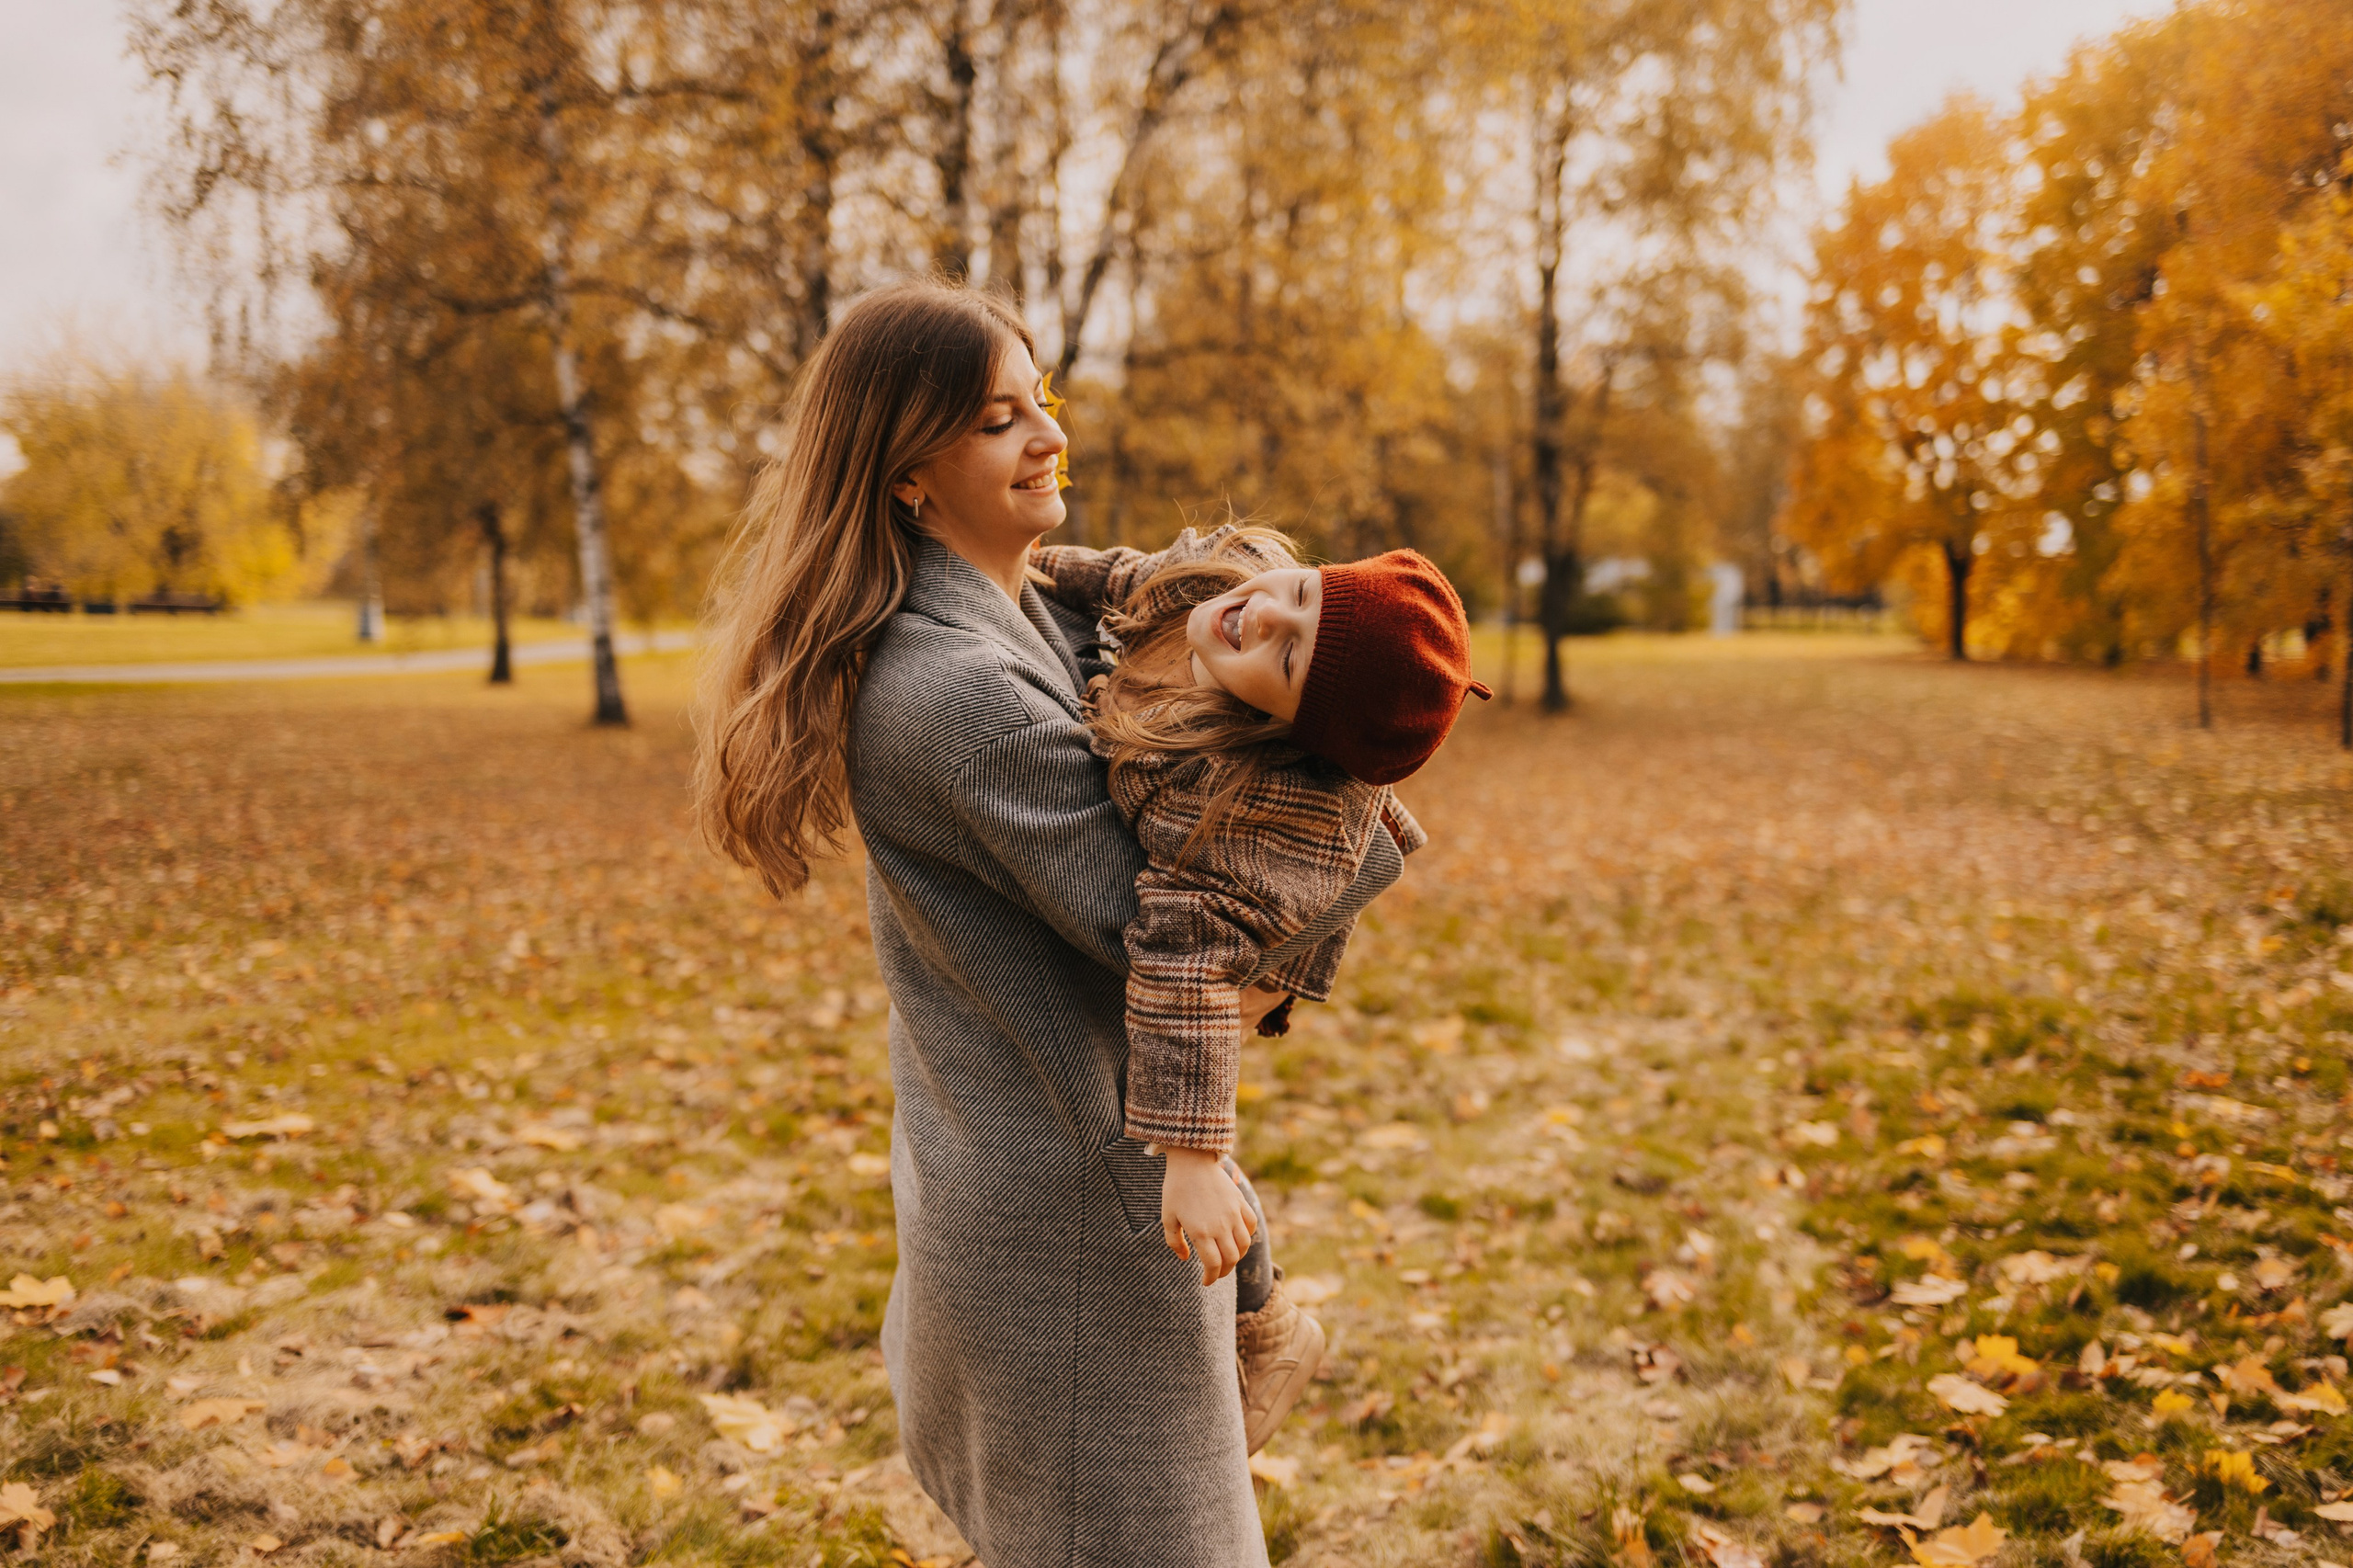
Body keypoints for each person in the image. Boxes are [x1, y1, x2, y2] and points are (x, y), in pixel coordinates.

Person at [694, 278, 1294, 1567]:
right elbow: (1178, 950)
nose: (1048, 436)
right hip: (1068, 1229)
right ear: (906, 473)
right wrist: (1352, 832)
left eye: (1042, 401)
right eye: (995, 420)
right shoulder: (957, 695)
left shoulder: (1034, 615)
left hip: (1046, 1180)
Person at [1029, 524, 1489, 1453]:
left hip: (1267, 903)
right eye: (1304, 594)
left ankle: (1268, 1318)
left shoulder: (1240, 812)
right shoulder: (1227, 578)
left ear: (1281, 728)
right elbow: (1122, 576)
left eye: (1286, 657)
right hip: (1286, 832)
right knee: (1164, 1073)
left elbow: (1189, 964)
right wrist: (1025, 565)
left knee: (1169, 1082)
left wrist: (1194, 1154)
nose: (1266, 616)